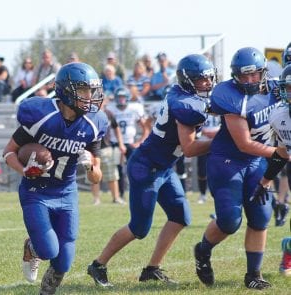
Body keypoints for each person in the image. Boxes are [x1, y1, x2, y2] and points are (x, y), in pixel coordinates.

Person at [87, 53, 216, 287]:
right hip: (146, 167)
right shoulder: (185, 105)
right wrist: (222, 142)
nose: (207, 83)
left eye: (209, 78)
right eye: (201, 79)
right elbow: (189, 148)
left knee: (180, 217)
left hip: (164, 167)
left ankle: (152, 269)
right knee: (139, 228)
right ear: (188, 80)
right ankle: (98, 264)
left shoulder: (185, 96)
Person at [2, 62, 108, 294]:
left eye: (91, 90)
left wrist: (90, 165)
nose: (89, 96)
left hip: (66, 191)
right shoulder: (41, 115)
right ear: (66, 90)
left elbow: (96, 179)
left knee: (64, 262)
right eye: (83, 90)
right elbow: (8, 152)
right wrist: (24, 170)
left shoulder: (93, 123)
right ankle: (32, 248)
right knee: (49, 250)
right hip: (36, 191)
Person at [193, 47, 280, 290]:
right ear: (235, 76)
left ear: (263, 72)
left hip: (256, 162)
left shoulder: (277, 87)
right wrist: (279, 153)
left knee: (261, 217)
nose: (249, 80)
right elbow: (244, 143)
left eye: (254, 75)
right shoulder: (228, 95)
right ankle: (202, 251)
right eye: (244, 76)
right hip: (228, 162)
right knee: (230, 221)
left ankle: (253, 274)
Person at [251, 64, 291, 276]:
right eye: (290, 87)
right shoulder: (278, 115)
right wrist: (265, 180)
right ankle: (290, 250)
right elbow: (284, 152)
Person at [106, 86, 149, 199]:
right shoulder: (111, 110)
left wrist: (140, 142)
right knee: (118, 170)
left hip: (130, 143)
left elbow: (146, 128)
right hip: (115, 143)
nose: (121, 100)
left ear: (127, 98)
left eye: (123, 97)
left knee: (134, 169)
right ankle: (120, 195)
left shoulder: (133, 109)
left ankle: (136, 193)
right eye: (119, 97)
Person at [91, 94, 127, 205]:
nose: (100, 102)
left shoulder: (109, 114)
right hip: (91, 149)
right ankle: (96, 199)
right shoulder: (89, 114)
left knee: (113, 175)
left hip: (106, 148)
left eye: (102, 100)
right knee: (93, 175)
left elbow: (117, 129)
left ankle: (116, 198)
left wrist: (121, 144)